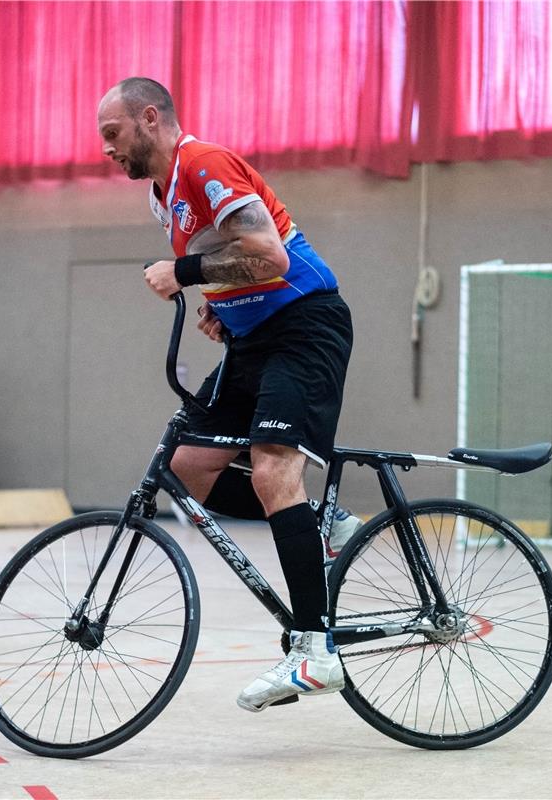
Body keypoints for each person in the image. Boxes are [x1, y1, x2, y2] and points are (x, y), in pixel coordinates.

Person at [98, 77, 360, 712]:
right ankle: (323, 521)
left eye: (113, 134)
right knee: (188, 472)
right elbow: (238, 269)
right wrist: (222, 307)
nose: (106, 149)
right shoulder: (163, 196)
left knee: (274, 471)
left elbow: (268, 255)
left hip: (304, 326)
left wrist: (185, 274)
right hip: (254, 338)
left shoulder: (204, 165)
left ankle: (315, 649)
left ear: (150, 119)